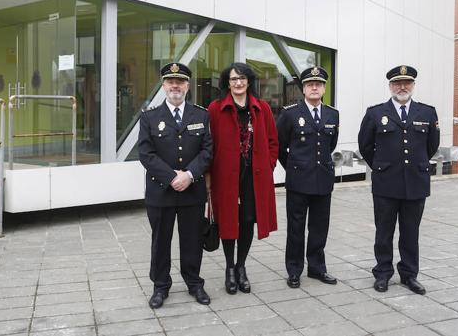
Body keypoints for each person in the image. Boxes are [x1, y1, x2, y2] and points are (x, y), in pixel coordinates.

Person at [358, 65, 440, 295]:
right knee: (383, 231)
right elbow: (365, 145)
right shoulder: (375, 113)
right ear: (390, 86)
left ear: (413, 85)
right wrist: (382, 166)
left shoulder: (426, 112)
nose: (402, 87)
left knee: (410, 231)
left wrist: (416, 164)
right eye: (397, 83)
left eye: (407, 82)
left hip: (416, 182)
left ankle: (409, 275)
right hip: (386, 183)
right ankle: (383, 273)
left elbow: (431, 146)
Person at [138, 62, 213, 308]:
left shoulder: (201, 115)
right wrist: (172, 177)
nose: (175, 86)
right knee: (161, 241)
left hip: (192, 190)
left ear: (188, 86)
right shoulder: (150, 117)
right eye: (170, 81)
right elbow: (146, 154)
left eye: (180, 81)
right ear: (163, 85)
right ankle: (160, 286)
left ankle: (194, 283)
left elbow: (208, 150)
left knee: (192, 239)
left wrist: (189, 174)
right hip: (161, 192)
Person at [207, 62, 278, 295]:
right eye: (233, 79)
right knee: (228, 220)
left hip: (253, 176)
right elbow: (209, 144)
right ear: (227, 82)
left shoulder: (262, 108)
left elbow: (272, 141)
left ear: (249, 81)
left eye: (242, 78)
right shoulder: (215, 108)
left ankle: (241, 267)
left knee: (248, 219)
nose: (238, 83)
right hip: (225, 177)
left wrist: (268, 164)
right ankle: (229, 268)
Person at [277, 66, 339, 288]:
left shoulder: (333, 114)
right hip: (298, 181)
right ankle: (294, 270)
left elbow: (330, 145)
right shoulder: (290, 113)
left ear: (323, 88)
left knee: (320, 227)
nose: (314, 87)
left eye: (319, 84)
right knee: (296, 228)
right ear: (303, 88)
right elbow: (279, 146)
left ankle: (316, 268)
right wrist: (293, 167)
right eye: (310, 84)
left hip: (323, 180)